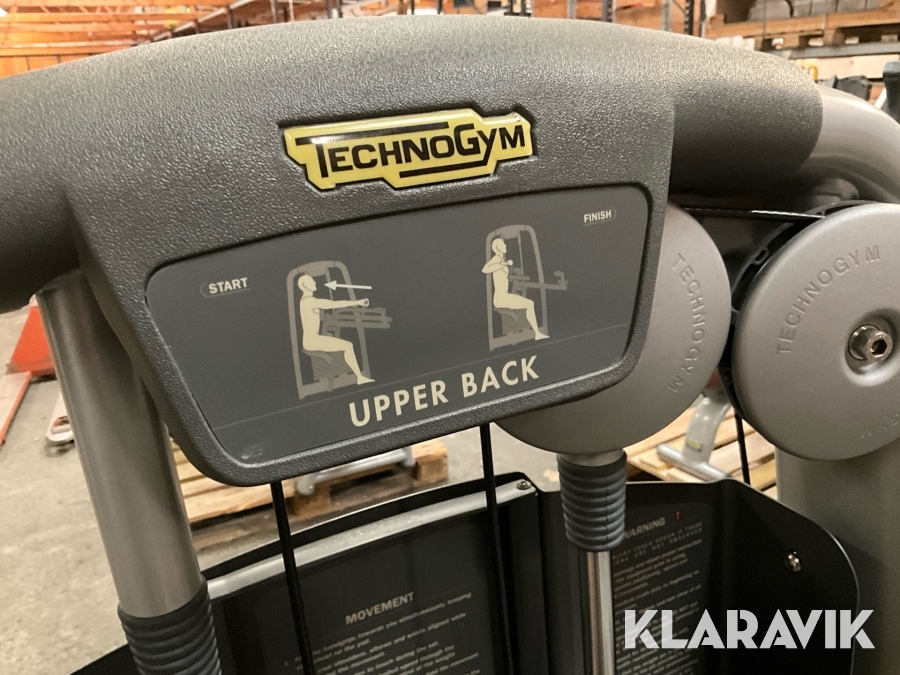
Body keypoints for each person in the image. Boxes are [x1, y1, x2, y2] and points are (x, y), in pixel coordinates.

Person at [297, 274, 374, 385]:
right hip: (312, 341)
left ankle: (357, 376)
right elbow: (334, 304)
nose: (315, 282)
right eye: (311, 281)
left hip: (312, 339)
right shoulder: (309, 301)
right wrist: (358, 302)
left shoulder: (306, 300)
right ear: (304, 285)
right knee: (348, 346)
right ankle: (360, 378)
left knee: (341, 343)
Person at [482, 238, 548, 340]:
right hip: (501, 298)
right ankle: (537, 334)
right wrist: (505, 264)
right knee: (530, 304)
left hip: (504, 296)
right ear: (497, 248)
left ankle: (535, 332)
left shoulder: (501, 259)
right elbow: (485, 269)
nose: (505, 246)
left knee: (527, 303)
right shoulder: (497, 258)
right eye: (503, 245)